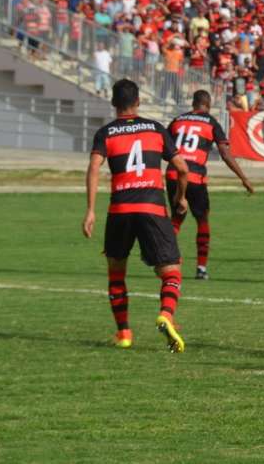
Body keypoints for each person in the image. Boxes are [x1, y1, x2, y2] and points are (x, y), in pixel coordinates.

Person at [82, 79, 190, 352]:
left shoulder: (106, 133)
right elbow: (182, 167)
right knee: (171, 271)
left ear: (113, 103)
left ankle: (124, 334)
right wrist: (180, 197)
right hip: (152, 208)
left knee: (116, 273)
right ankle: (166, 315)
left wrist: (91, 210)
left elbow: (94, 167)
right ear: (139, 101)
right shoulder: (155, 128)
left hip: (119, 210)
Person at [167, 90, 256, 280]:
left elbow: (163, 148)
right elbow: (225, 154)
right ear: (208, 104)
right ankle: (201, 268)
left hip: (174, 174)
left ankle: (171, 262)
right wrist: (243, 178)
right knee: (202, 220)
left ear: (193, 103)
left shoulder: (177, 120)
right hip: (195, 177)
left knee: (176, 218)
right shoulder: (211, 122)